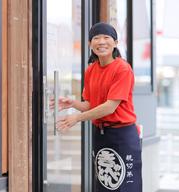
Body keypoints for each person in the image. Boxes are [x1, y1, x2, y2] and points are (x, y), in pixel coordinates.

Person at [51, 22, 142, 192]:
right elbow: (91, 105)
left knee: (126, 186)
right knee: (104, 185)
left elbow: (109, 107)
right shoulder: (91, 70)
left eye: (106, 37)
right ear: (90, 44)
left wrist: (76, 118)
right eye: (96, 38)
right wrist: (73, 103)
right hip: (100, 135)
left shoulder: (122, 69)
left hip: (122, 135)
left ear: (115, 43)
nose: (101, 42)